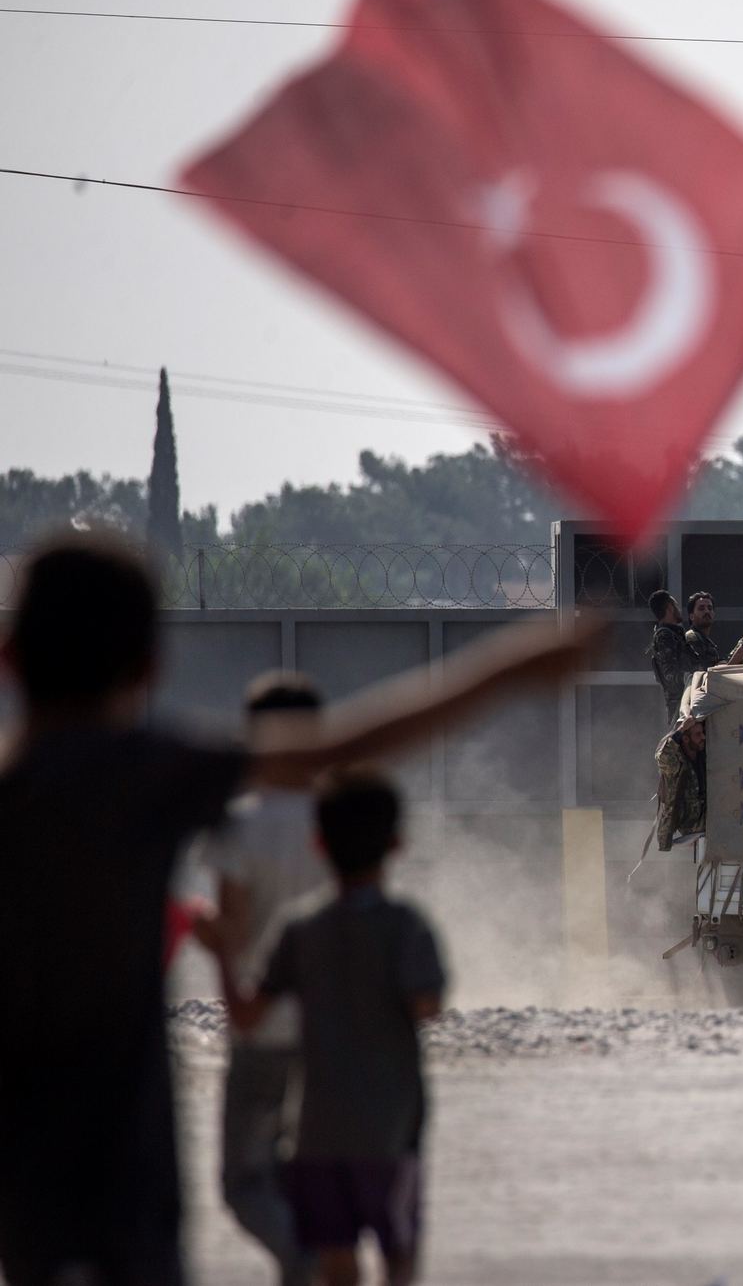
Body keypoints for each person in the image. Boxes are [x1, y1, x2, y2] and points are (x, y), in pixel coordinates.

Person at [0, 533, 592, 1286]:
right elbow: (334, 745)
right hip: (133, 1175)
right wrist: (513, 666)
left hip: (26, 1173)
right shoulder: (146, 773)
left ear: (10, 657)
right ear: (150, 666)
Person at [204, 766, 446, 1286]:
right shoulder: (406, 925)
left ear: (318, 844)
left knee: (335, 1265)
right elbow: (427, 1005)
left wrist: (221, 949)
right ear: (397, 844)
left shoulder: (300, 928)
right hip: (391, 1129)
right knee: (399, 1258)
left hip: (316, 1134)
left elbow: (246, 1014)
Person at [195, 672, 332, 1286]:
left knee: (245, 1181)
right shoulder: (338, 819)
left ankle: (301, 1260)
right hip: (332, 1023)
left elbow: (233, 928)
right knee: (305, 1169)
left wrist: (226, 984)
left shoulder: (243, 823)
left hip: (264, 1022)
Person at [655, 713, 708, 853]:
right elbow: (662, 755)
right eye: (698, 734)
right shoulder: (676, 765)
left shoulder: (704, 756)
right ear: (685, 738)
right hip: (686, 827)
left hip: (704, 826)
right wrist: (681, 729)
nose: (703, 737)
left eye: (702, 733)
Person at [647, 589, 693, 718]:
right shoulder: (665, 636)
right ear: (669, 607)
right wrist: (693, 678)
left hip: (687, 701)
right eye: (675, 605)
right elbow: (670, 676)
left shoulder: (675, 634)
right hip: (680, 706)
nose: (678, 608)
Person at [683, 590, 723, 672]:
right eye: (701, 608)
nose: (707, 611)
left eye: (710, 608)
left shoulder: (706, 642)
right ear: (691, 616)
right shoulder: (692, 637)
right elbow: (699, 669)